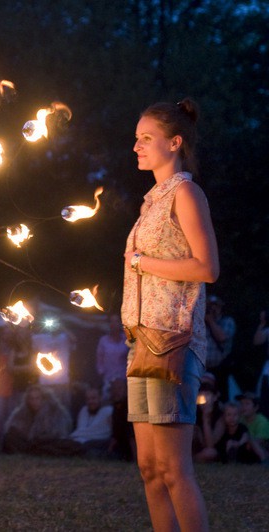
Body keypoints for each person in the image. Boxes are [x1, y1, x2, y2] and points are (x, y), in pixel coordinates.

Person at [122, 98, 218, 531]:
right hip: (142, 342)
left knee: (174, 470)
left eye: (147, 138)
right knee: (148, 468)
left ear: (174, 143)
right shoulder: (151, 203)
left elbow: (206, 267)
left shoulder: (185, 192)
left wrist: (143, 263)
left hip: (173, 343)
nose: (137, 146)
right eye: (137, 138)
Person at [2, 384, 77, 456]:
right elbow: (15, 428)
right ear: (28, 400)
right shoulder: (22, 412)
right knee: (10, 436)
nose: (35, 402)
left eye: (37, 398)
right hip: (30, 443)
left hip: (47, 442)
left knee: (52, 446)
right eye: (32, 399)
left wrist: (39, 439)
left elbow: (58, 434)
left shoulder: (55, 411)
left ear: (44, 398)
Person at [204, 295, 236, 397]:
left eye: (216, 306)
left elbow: (221, 337)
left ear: (221, 308)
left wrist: (211, 321)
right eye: (210, 306)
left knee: (220, 396)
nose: (213, 309)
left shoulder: (227, 321)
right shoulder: (200, 323)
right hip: (201, 368)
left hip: (219, 369)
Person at [69, 386, 113, 457]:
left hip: (98, 441)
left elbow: (103, 432)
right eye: (88, 399)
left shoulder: (108, 411)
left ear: (100, 398)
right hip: (78, 440)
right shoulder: (84, 410)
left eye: (93, 398)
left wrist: (74, 435)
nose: (90, 401)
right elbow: (81, 429)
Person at [95, 314, 129, 400]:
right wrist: (101, 372)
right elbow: (99, 359)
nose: (114, 324)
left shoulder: (126, 339)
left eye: (116, 321)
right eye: (111, 321)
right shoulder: (103, 340)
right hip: (108, 379)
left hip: (123, 379)